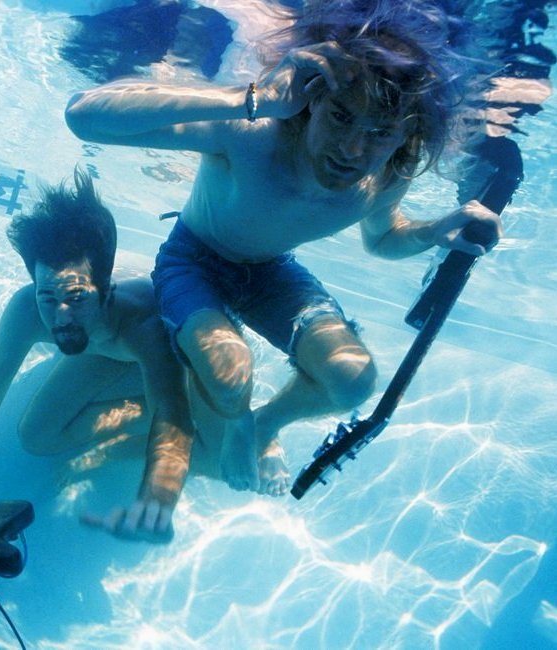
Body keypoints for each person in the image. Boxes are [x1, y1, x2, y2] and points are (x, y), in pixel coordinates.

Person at [64, 0, 503, 497]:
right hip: (193, 261)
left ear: (407, 136)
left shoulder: (386, 176)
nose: (352, 150)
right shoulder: (252, 135)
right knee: (230, 375)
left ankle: (263, 424)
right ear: (311, 101)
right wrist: (252, 98)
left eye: (380, 133)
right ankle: (232, 417)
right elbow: (83, 116)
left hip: (271, 273)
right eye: (340, 116)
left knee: (352, 381)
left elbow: (383, 239)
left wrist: (435, 232)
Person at [0, 169, 199, 543]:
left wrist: (156, 502)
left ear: (107, 290)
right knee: (36, 436)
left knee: (186, 411)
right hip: (109, 350)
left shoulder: (146, 325)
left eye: (77, 298)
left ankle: (180, 413)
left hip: (179, 358)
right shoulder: (29, 309)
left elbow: (171, 419)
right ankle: (140, 412)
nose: (60, 318)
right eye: (48, 297)